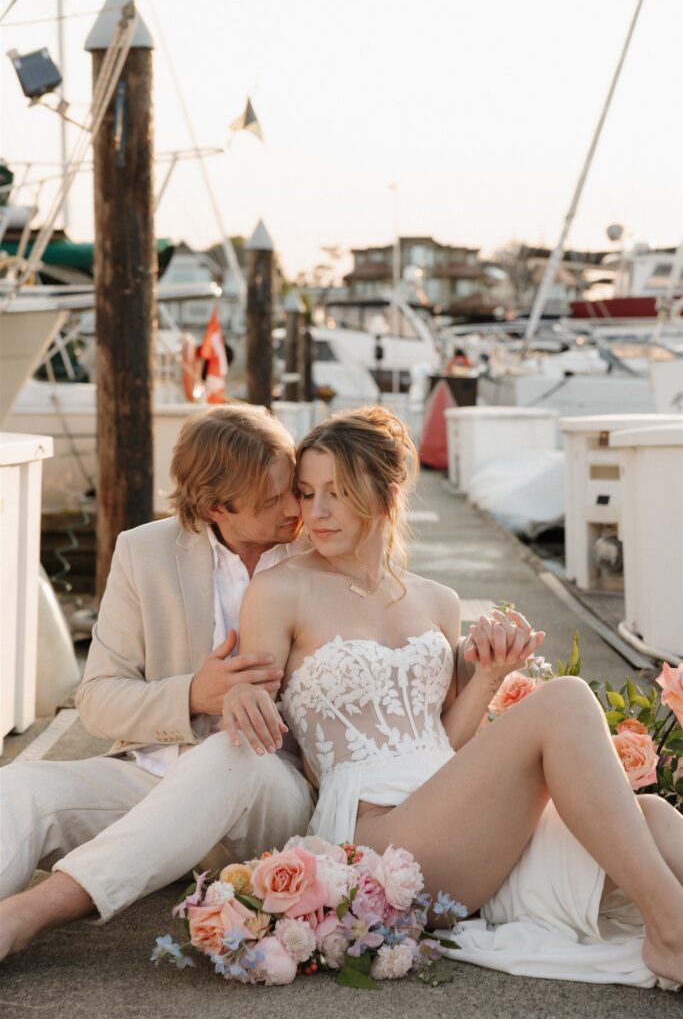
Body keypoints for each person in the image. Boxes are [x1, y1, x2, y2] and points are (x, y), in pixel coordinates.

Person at [225, 405, 683, 989]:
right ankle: (671, 930)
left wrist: (492, 674)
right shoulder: (279, 589)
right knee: (565, 699)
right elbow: (249, 696)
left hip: (460, 818)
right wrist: (239, 692)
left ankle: (674, 925)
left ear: (387, 495)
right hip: (380, 837)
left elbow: (445, 741)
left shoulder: (437, 600)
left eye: (337, 493)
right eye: (307, 492)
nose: (316, 512)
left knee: (657, 819)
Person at [0, 405, 315, 958]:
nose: (295, 509)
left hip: (268, 794)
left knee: (231, 752)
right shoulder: (143, 552)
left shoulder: (320, 551)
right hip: (150, 785)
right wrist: (194, 694)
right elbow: (96, 699)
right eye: (272, 501)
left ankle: (26, 916)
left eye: (294, 489)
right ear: (218, 507)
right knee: (19, 789)